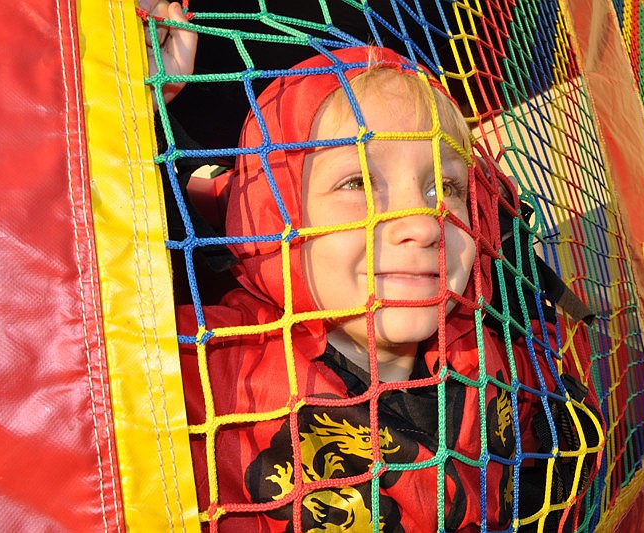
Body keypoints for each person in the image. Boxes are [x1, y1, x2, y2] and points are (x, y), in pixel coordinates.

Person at [141, 7, 601, 530]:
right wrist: (138, 106)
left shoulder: (489, 359)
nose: (425, 222)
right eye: (358, 183)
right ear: (276, 212)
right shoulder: (208, 370)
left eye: (445, 187)